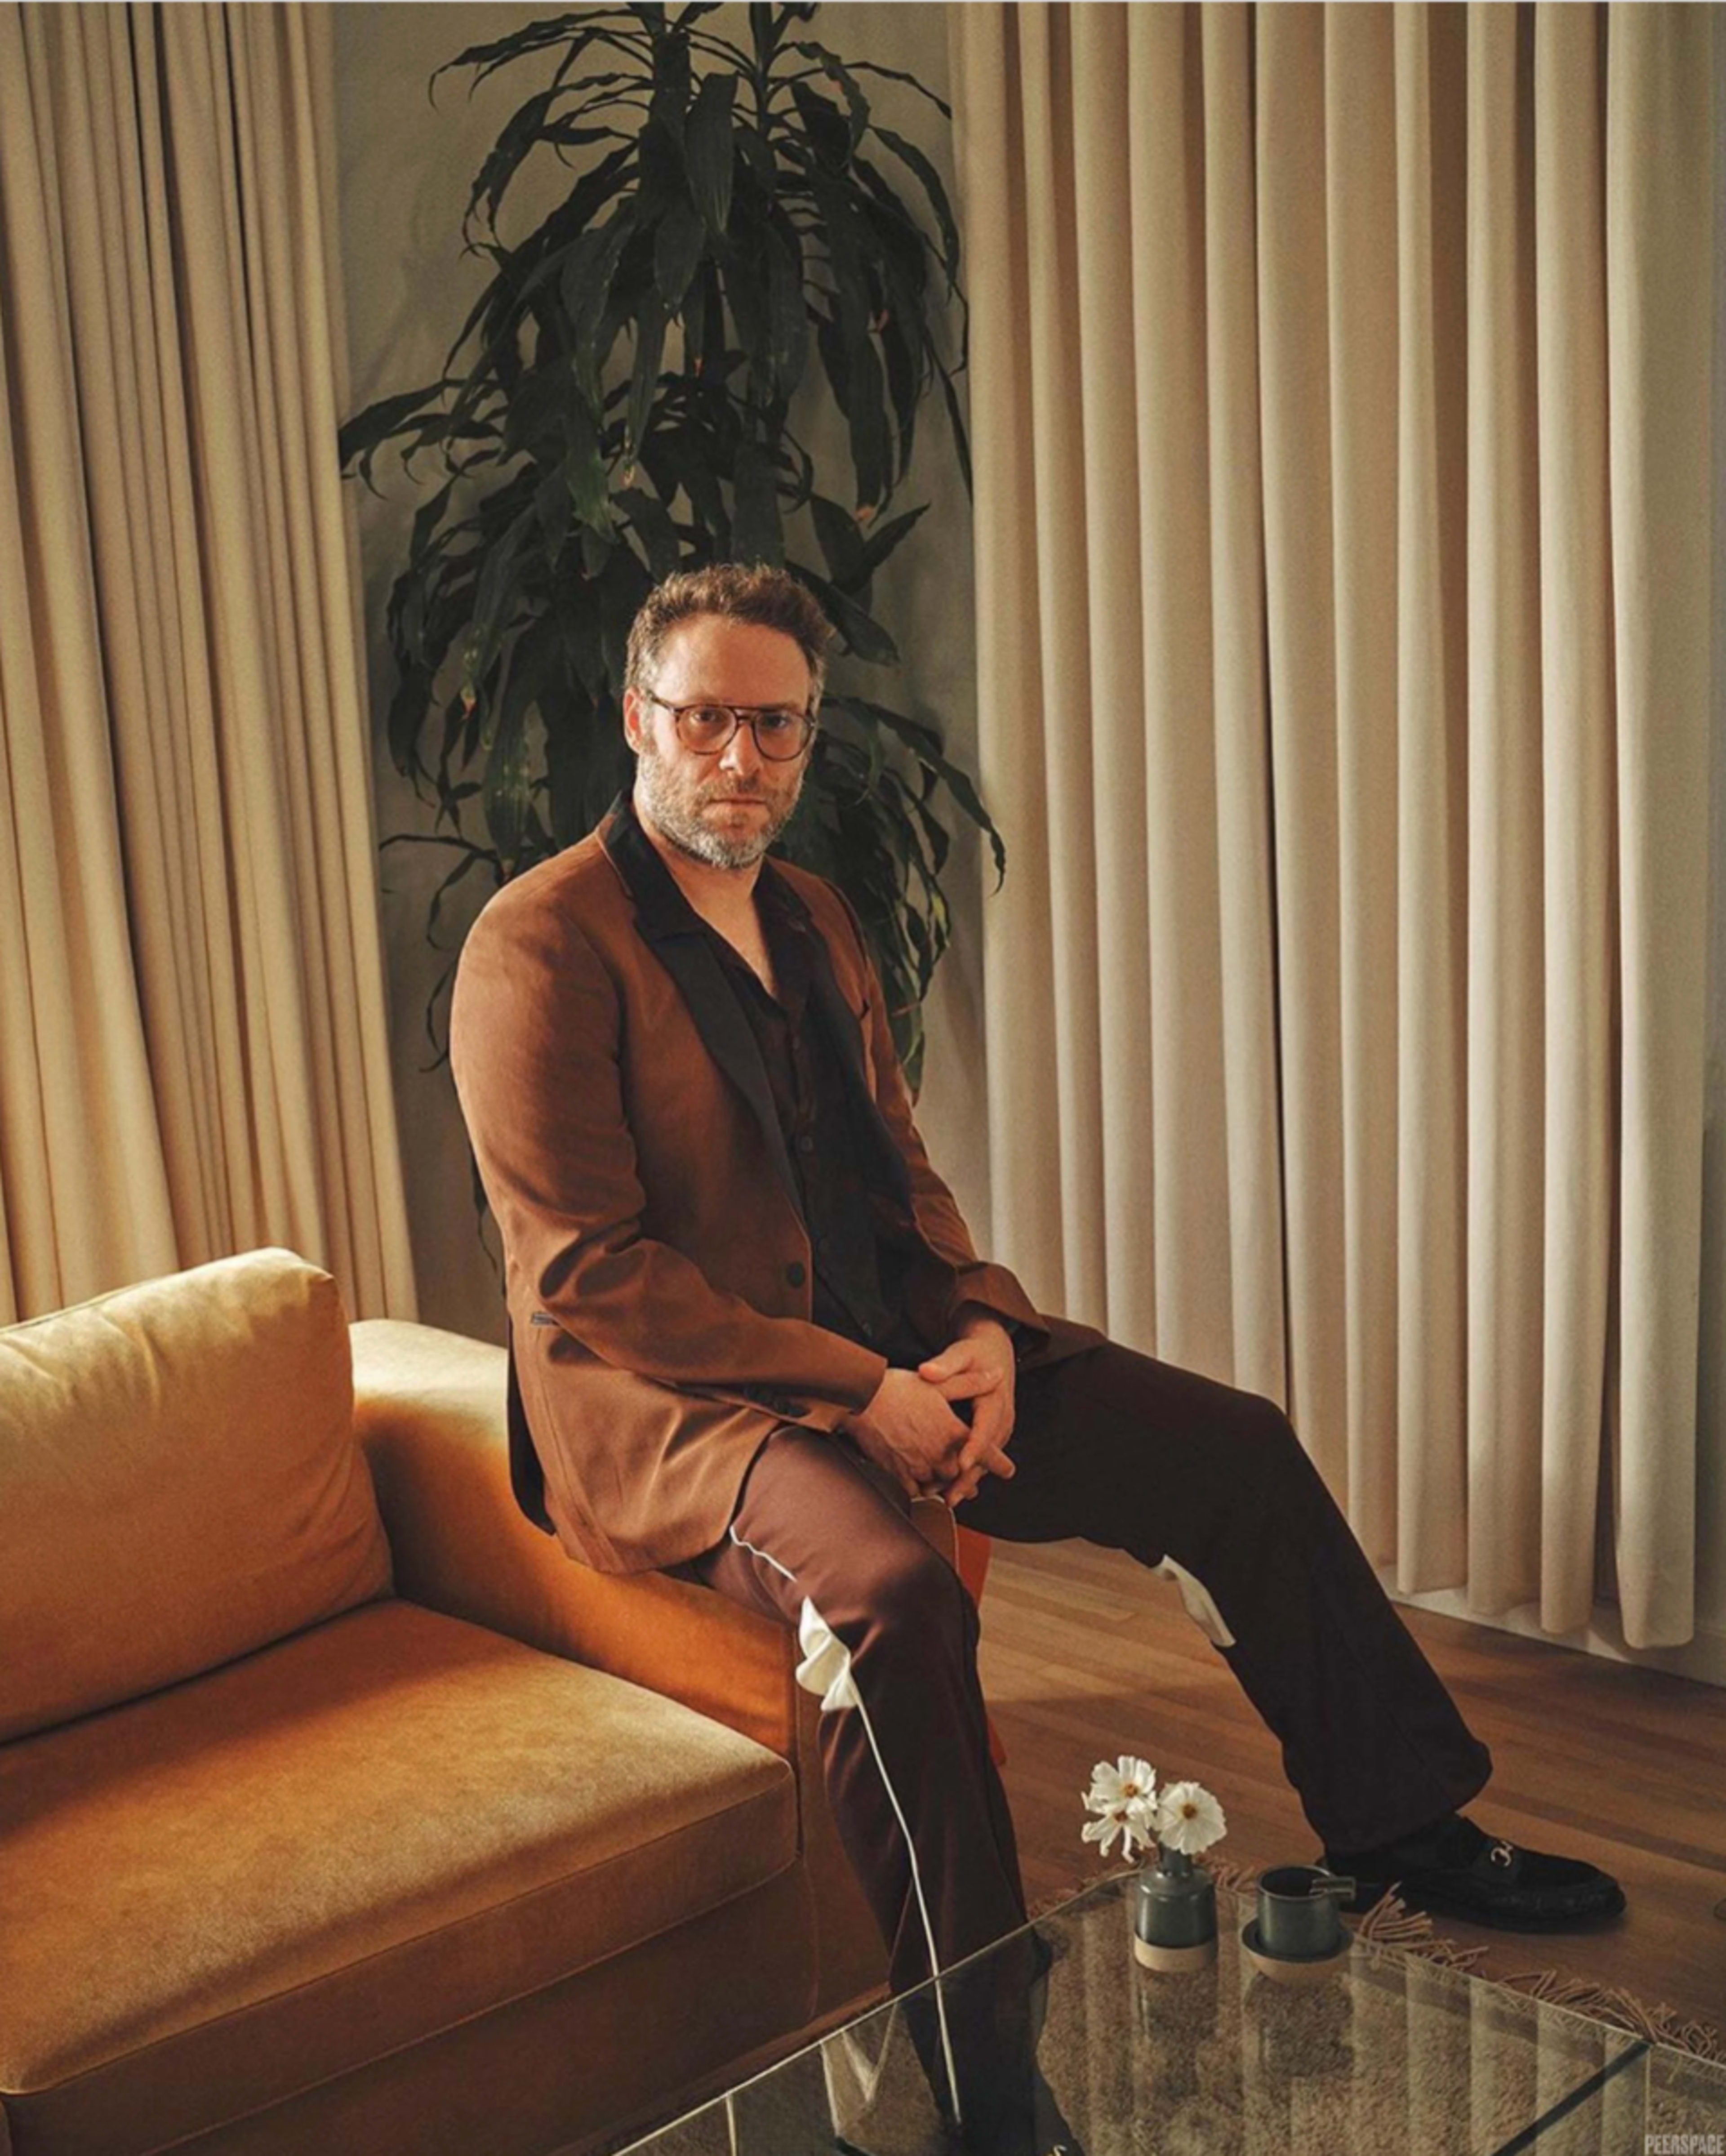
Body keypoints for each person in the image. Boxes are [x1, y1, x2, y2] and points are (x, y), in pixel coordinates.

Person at [449, 563, 1623, 2153]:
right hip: (681, 1407)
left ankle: (1404, 1821)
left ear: (810, 734)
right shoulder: (539, 942)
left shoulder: (812, 912)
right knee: (899, 1599)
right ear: (637, 717)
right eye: (706, 718)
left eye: (776, 726)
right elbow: (584, 1274)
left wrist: (984, 1329)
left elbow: (901, 1172)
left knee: (1232, 1444)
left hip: (893, 1339)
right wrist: (859, 1390)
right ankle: (986, 2060)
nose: (741, 757)